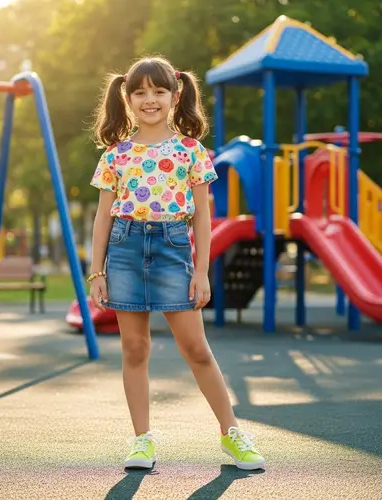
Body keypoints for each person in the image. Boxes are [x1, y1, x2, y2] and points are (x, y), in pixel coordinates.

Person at [87, 56, 265, 471]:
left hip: (172, 250)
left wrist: (201, 271)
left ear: (175, 95)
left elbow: (203, 215)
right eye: (140, 92)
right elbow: (102, 217)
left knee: (197, 350)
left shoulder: (191, 151)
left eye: (158, 91)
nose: (149, 100)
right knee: (135, 348)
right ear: (127, 99)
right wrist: (97, 271)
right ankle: (142, 441)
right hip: (125, 249)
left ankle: (232, 433)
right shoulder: (116, 155)